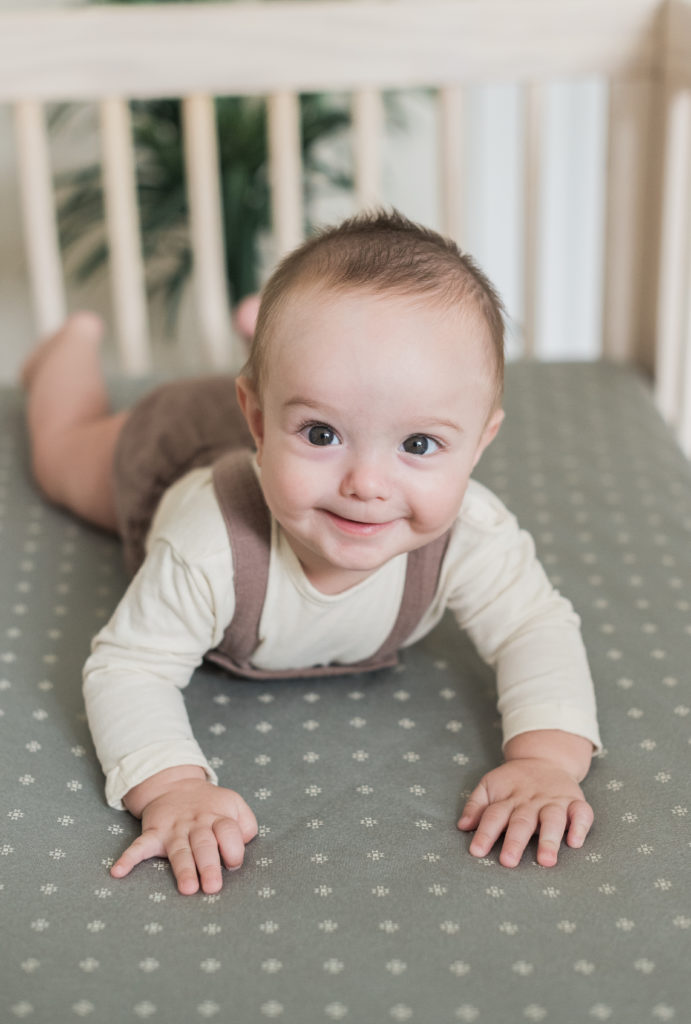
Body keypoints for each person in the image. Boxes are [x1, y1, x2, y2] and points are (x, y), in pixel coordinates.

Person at [22, 210, 601, 896]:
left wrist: (546, 759)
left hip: (284, 407)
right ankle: (65, 348)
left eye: (418, 445)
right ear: (258, 421)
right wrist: (173, 788)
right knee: (63, 457)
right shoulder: (206, 543)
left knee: (336, 377)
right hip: (179, 445)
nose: (365, 486)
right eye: (322, 433)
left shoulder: (468, 533)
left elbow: (534, 626)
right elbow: (128, 667)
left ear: (479, 443)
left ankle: (279, 355)